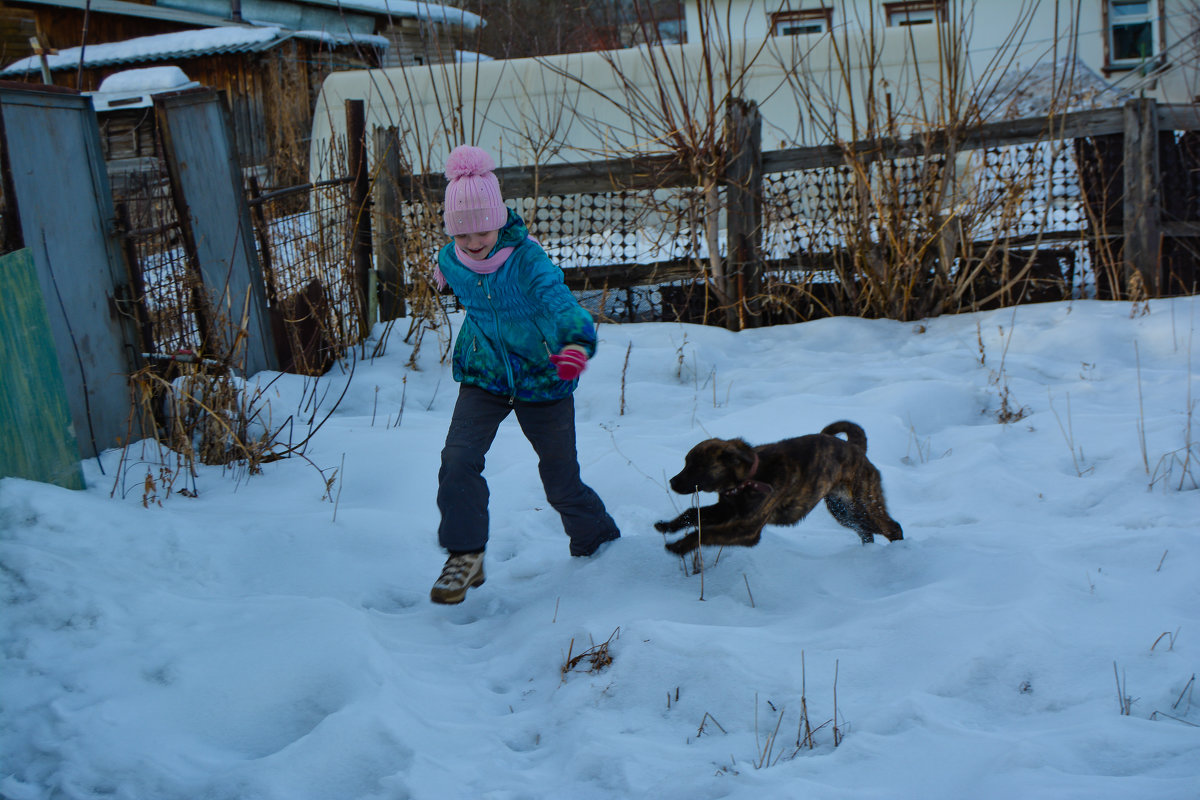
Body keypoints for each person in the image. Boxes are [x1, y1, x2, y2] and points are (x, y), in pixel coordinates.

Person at [429, 144, 620, 605]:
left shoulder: (528, 260)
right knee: (457, 460)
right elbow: (448, 270)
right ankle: (465, 555)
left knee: (561, 484)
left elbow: (560, 302)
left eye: (484, 230)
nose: (474, 242)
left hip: (543, 378)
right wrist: (441, 273)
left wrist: (575, 343)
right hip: (485, 374)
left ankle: (600, 548)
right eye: (464, 233)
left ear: (500, 218)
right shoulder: (450, 258)